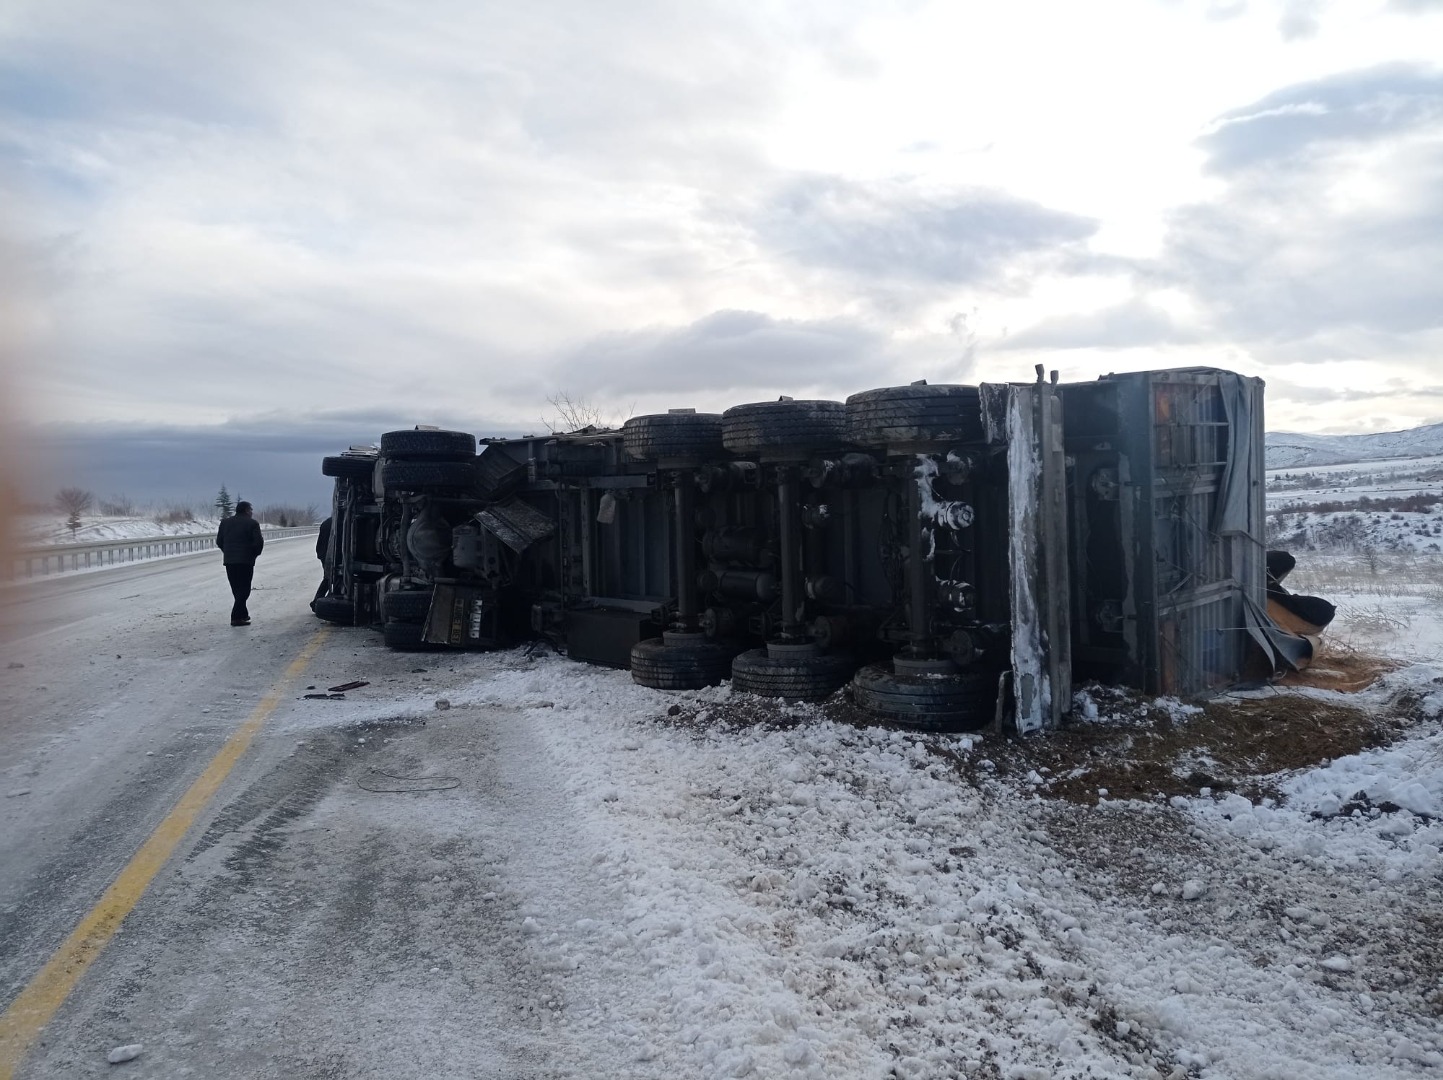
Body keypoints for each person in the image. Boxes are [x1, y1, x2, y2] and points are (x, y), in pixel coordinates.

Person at [216, 501, 265, 626]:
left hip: (229, 561)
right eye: (251, 510)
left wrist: (227, 552)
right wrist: (254, 554)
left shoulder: (225, 523)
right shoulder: (252, 523)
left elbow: (219, 541)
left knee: (236, 589)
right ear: (247, 510)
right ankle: (235, 617)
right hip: (245, 561)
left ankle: (243, 614)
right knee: (244, 590)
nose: (251, 512)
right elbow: (258, 542)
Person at [312, 516, 333, 606]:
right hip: (329, 555)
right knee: (329, 578)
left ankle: (318, 601)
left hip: (323, 553)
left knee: (328, 578)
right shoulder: (337, 523)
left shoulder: (326, 523)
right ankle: (317, 602)